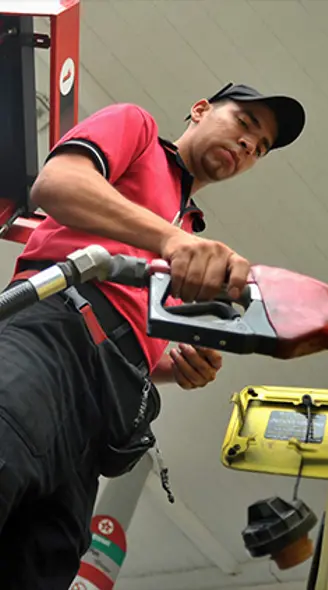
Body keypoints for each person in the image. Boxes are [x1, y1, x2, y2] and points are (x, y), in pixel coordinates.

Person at [0, 82, 305, 588]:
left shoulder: (189, 242)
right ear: (200, 109)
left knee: (39, 562)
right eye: (245, 123)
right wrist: (171, 240)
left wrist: (176, 367)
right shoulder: (138, 132)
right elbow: (58, 183)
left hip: (100, 420)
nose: (249, 144)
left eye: (261, 147)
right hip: (49, 339)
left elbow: (135, 339)